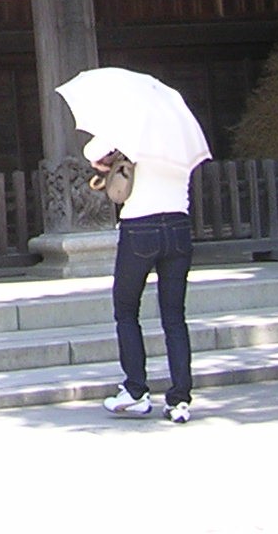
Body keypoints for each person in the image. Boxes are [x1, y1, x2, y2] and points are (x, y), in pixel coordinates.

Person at [91, 132, 197, 424]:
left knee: (126, 310)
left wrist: (108, 158)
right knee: (174, 317)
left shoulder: (133, 134)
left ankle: (136, 389)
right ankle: (180, 399)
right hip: (178, 225)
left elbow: (92, 151)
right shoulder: (184, 139)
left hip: (140, 226)